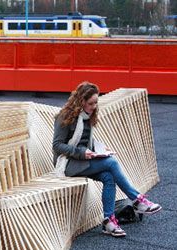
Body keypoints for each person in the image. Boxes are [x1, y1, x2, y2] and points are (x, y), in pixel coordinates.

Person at [52, 81, 161, 237]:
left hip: (83, 160)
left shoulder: (88, 116)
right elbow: (57, 146)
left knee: (109, 177)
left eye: (96, 102)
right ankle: (137, 200)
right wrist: (82, 153)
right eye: (91, 103)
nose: (94, 106)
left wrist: (100, 150)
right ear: (80, 101)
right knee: (111, 163)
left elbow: (86, 142)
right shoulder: (64, 117)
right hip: (67, 163)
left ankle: (108, 221)